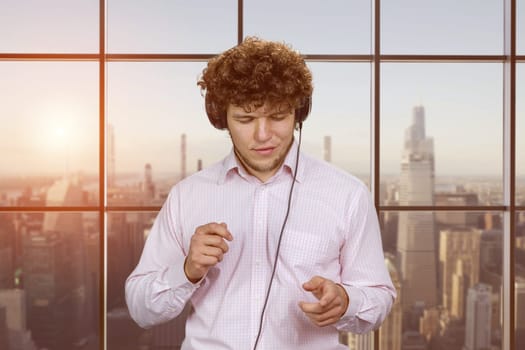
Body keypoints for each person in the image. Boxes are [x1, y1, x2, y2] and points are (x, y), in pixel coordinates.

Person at [125, 36, 396, 350]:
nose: (263, 134)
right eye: (245, 119)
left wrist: (347, 301)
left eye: (278, 116)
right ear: (221, 118)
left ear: (299, 114)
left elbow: (379, 297)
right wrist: (187, 271)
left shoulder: (347, 194)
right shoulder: (187, 196)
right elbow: (140, 308)